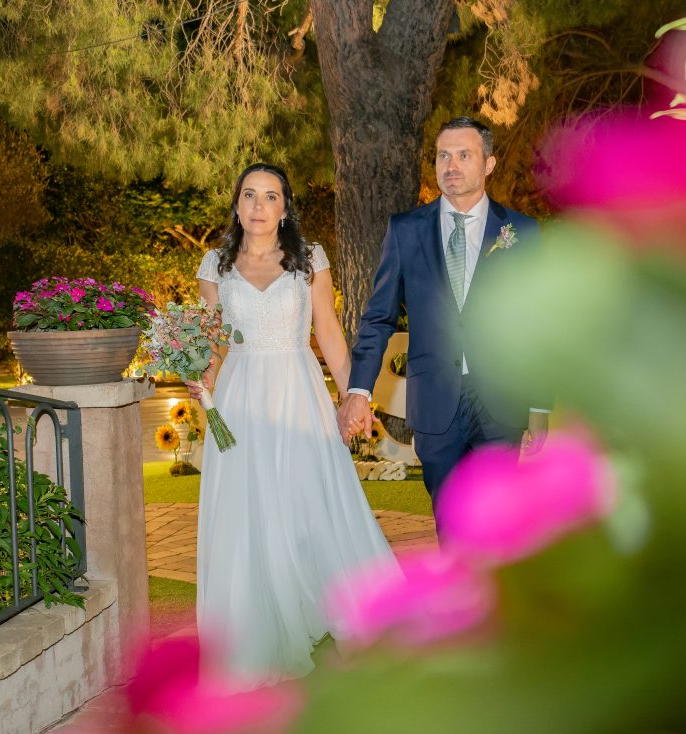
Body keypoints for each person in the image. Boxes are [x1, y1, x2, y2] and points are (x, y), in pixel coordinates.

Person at [189, 163, 395, 684]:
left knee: (310, 500)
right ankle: (255, 624)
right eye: (250, 195)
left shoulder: (310, 260)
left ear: (286, 207)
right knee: (247, 506)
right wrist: (201, 381)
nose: (259, 206)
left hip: (297, 391)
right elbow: (211, 340)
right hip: (236, 398)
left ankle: (349, 610)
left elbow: (327, 331)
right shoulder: (214, 265)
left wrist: (355, 396)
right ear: (237, 203)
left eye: (271, 196)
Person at [337, 117, 549, 516]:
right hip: (435, 403)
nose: (451, 165)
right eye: (443, 155)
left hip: (501, 404)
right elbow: (378, 317)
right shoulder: (405, 230)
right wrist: (358, 391)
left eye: (464, 155)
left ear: (489, 164)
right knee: (451, 520)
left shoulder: (521, 232)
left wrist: (539, 409)